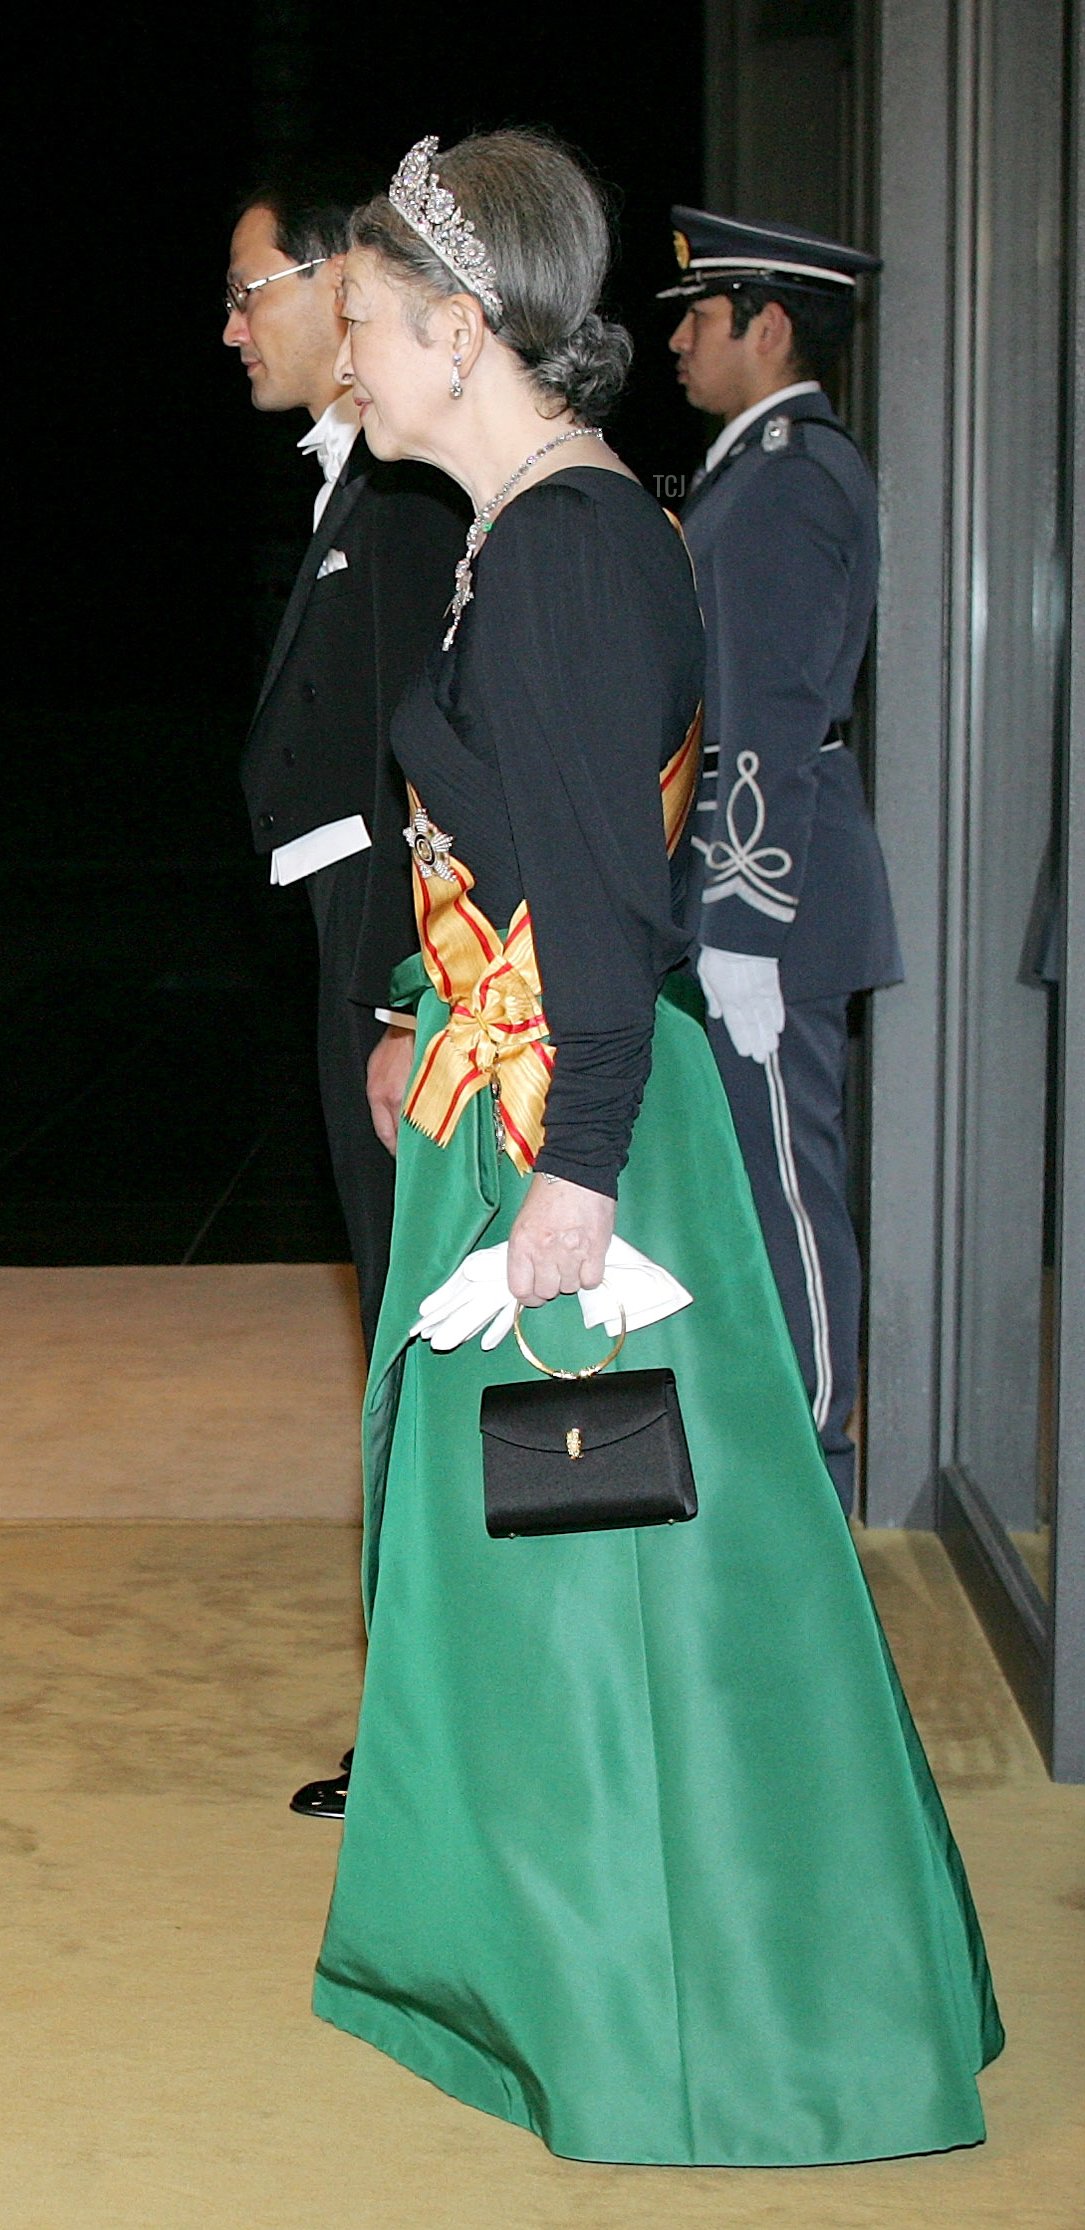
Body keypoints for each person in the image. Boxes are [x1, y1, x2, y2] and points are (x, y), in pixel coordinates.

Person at [313, 129, 1002, 2167]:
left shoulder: (563, 547)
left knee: (629, 1584)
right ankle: (593, 1976)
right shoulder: (542, 523)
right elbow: (540, 854)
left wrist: (572, 1166)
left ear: (461, 327)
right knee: (593, 1581)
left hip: (577, 1125)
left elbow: (612, 898)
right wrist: (427, 1029)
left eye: (360, 323)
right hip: (525, 1085)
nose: (345, 359)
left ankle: (703, 2023)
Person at [224, 177, 468, 1817]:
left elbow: (420, 768)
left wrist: (393, 1004)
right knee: (396, 1331)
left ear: (340, 287)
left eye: (253, 289)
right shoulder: (355, 496)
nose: (233, 324)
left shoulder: (392, 509)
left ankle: (431, 1743)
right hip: (350, 948)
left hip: (382, 962)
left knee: (412, 1336)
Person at [662, 209, 902, 1513]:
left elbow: (773, 706)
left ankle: (814, 1457)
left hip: (776, 894)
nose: (682, 340)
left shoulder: (793, 473)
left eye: (702, 317)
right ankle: (775, 1442)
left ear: (770, 325)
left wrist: (742, 921)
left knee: (789, 1189)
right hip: (748, 885)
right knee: (755, 1182)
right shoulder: (751, 467)